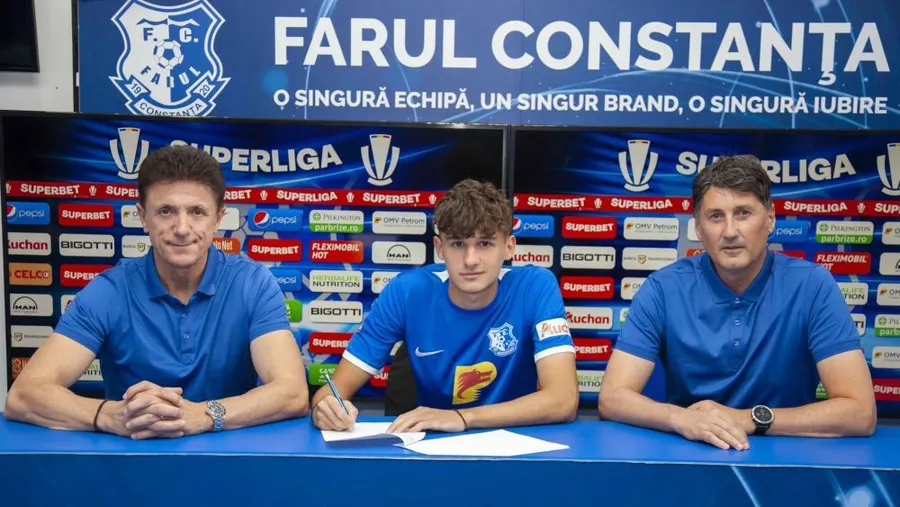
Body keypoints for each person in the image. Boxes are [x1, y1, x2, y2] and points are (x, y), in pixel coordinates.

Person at [4, 146, 309, 439]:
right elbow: (24, 395)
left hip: (231, 462)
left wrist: (204, 414)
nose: (182, 228)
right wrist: (109, 415)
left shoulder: (252, 282)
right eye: (165, 211)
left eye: (197, 212)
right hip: (129, 460)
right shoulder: (110, 290)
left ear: (218, 218)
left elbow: (292, 392)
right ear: (143, 217)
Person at [598, 155, 876, 450]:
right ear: (698, 227)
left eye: (743, 213)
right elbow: (612, 397)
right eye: (715, 216)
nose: (730, 231)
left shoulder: (812, 285)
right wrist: (682, 419)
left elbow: (859, 412)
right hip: (691, 452)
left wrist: (747, 419)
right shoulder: (663, 288)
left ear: (770, 219)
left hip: (790, 455)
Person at [312, 179, 578, 433]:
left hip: (519, 446)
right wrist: (326, 409)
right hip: (432, 445)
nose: (471, 260)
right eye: (458, 244)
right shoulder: (406, 291)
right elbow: (329, 394)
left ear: (509, 247)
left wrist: (462, 418)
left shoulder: (535, 286)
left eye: (485, 243)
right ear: (440, 248)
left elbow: (563, 400)